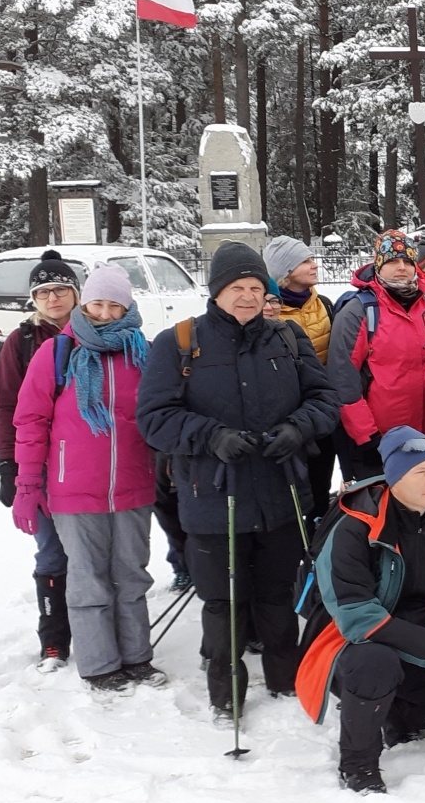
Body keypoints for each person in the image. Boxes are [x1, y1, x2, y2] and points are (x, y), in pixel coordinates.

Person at [137, 241, 341, 720]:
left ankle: (285, 679)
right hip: (212, 495)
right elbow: (153, 417)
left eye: (256, 287)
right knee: (223, 601)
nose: (248, 296)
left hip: (279, 489)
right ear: (217, 292)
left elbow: (325, 399)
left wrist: (298, 428)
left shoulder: (287, 340)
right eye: (237, 287)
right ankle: (225, 693)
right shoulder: (179, 342)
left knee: (276, 593)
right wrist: (210, 436)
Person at [295, 427, 425, 794]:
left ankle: (396, 710)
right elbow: (357, 616)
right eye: (419, 472)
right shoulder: (354, 528)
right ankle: (357, 764)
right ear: (394, 478)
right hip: (356, 648)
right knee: (377, 664)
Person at [12, 266, 165, 694]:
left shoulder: (144, 353)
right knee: (88, 578)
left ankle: (136, 658)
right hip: (73, 488)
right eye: (98, 303)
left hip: (133, 485)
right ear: (84, 303)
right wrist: (27, 486)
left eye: (115, 304)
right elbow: (29, 421)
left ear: (128, 307)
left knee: (132, 575)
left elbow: (161, 413)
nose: (105, 312)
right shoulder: (57, 353)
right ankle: (100, 666)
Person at [0, 249, 79, 671]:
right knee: (51, 552)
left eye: (61, 288)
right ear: (34, 299)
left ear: (76, 293)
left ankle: (99, 626)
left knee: (95, 551)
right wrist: (7, 464)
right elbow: (6, 405)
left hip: (87, 463)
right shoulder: (22, 342)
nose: (53, 298)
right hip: (39, 463)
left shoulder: (97, 330)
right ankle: (54, 639)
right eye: (43, 291)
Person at [328, 230, 425, 482]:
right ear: (378, 265)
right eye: (392, 261)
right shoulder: (359, 311)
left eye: (407, 261)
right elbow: (343, 380)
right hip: (382, 440)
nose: (401, 268)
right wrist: (367, 438)